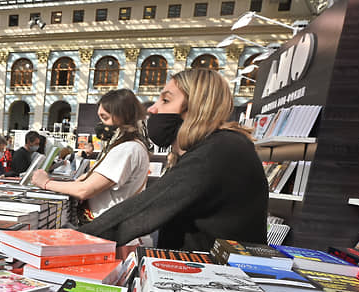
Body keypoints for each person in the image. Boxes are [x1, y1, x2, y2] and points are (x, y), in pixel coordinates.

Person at [78, 69, 268, 251]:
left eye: (166, 100)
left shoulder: (220, 150)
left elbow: (147, 208)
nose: (152, 108)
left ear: (195, 107)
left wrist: (75, 239)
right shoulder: (222, 146)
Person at [31, 89, 150, 224]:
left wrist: (45, 183)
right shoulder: (133, 146)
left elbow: (84, 190)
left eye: (105, 118)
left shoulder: (127, 148)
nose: (101, 124)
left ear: (123, 116)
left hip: (107, 225)